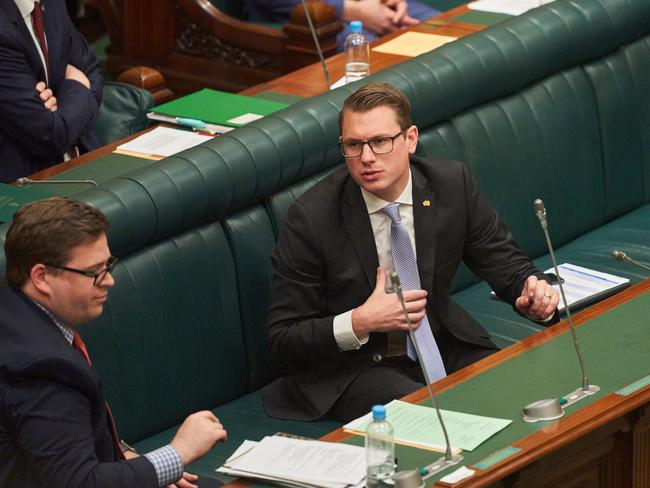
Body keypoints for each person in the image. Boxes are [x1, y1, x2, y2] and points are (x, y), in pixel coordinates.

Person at [262, 82, 560, 423]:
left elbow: (504, 262)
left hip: (441, 340)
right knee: (431, 420)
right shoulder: (312, 217)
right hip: (356, 368)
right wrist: (360, 321)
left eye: (380, 141)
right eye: (354, 145)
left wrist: (530, 290)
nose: (367, 157)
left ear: (410, 139)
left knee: (512, 393)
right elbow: (282, 338)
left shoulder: (450, 185)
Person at [0, 197, 226, 488]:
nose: (109, 281)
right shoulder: (40, 369)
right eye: (94, 272)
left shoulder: (12, 304)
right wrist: (178, 453)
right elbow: (79, 483)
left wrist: (139, 466)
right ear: (42, 277)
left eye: (108, 265)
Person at [0, 0, 104, 183]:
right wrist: (77, 85)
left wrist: (64, 105)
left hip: (84, 156)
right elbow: (48, 134)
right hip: (27, 182)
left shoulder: (51, 3)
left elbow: (92, 71)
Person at [244, 0, 439, 50]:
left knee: (454, 30)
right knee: (380, 56)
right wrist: (350, 9)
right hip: (309, 20)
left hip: (373, 4)